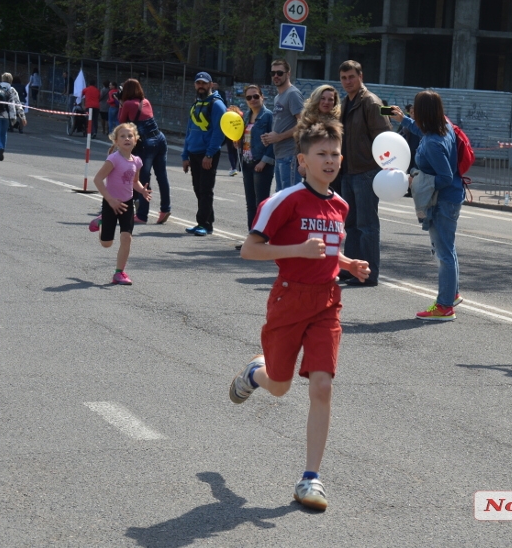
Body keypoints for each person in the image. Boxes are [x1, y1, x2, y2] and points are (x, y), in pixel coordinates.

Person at [229, 120, 370, 511]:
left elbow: (323, 250)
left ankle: (310, 479)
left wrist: (347, 263)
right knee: (279, 385)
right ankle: (254, 374)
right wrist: (296, 252)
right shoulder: (285, 200)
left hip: (327, 303)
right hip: (289, 300)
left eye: (335, 154)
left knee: (322, 386)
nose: (330, 160)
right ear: (303, 161)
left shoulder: (339, 204)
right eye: (321, 154)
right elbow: (249, 250)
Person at [392, 91, 465, 320]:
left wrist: (417, 180)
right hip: (451, 197)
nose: (413, 111)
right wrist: (403, 119)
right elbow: (422, 130)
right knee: (447, 249)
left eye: (415, 109)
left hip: (443, 200)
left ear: (424, 113)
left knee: (443, 252)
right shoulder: (444, 125)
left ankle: (444, 307)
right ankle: (450, 295)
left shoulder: (433, 142)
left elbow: (444, 177)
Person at [337, 59, 391, 287]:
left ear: (361, 77)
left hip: (367, 172)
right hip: (347, 172)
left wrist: (384, 168)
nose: (348, 82)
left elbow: (385, 136)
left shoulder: (370, 102)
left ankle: (369, 274)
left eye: (351, 77)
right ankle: (352, 269)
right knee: (351, 225)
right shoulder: (345, 102)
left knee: (367, 225)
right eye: (343, 78)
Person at [89, 123, 152, 286]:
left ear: (136, 140)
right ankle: (101, 220)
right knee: (106, 244)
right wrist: (110, 200)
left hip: (127, 204)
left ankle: (119, 272)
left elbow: (134, 181)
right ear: (116, 141)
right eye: (122, 136)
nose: (127, 139)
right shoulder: (113, 159)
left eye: (130, 136)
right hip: (111, 203)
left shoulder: (137, 161)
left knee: (126, 238)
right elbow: (97, 179)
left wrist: (142, 190)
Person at [118, 78, 170, 225]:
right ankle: (165, 208)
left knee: (143, 179)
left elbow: (121, 123)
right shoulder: (145, 101)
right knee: (162, 176)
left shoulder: (127, 104)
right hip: (160, 139)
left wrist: (121, 105)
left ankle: (142, 215)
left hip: (146, 144)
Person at [181, 71, 226, 236]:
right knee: (198, 189)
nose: (201, 86)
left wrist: (209, 155)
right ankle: (206, 222)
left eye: (204, 83)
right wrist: (185, 156)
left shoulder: (217, 105)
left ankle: (204, 224)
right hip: (194, 152)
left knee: (205, 190)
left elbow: (219, 132)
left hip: (207, 154)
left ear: (211, 84)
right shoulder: (196, 104)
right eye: (198, 83)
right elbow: (189, 130)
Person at [261, 60, 303, 191]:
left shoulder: (293, 94)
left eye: (279, 73)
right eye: (273, 73)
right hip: (280, 155)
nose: (276, 76)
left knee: (289, 199)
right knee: (282, 198)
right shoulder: (278, 97)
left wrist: (279, 137)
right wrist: (269, 137)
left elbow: (303, 124)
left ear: (288, 74)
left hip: (290, 155)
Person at [238, 84, 275, 232]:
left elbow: (273, 141)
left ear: (262, 97)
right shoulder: (246, 116)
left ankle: (261, 236)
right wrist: (238, 143)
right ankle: (251, 236)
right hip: (247, 162)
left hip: (261, 164)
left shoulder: (268, 116)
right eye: (249, 97)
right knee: (250, 203)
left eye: (255, 96)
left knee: (261, 203)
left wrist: (264, 161)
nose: (252, 99)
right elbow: (246, 138)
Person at [300, 85, 342, 190]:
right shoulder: (307, 120)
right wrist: (302, 164)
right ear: (316, 99)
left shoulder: (339, 120)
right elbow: (300, 144)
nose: (326, 102)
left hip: (333, 170)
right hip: (311, 169)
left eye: (330, 99)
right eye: (323, 98)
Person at [0, 72, 27, 161]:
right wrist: (23, 117)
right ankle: (2, 151)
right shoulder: (12, 89)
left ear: (2, 79)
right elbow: (18, 104)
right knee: (4, 133)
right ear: (10, 80)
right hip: (7, 115)